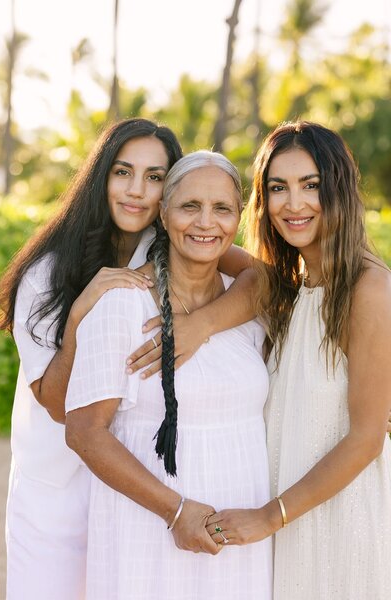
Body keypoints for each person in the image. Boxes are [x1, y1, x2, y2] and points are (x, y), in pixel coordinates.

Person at [129, 122, 391, 599]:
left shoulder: (369, 288)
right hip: (284, 525)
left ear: (339, 189)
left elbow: (367, 438)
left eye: (311, 185)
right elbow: (206, 237)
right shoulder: (291, 285)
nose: (294, 204)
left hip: (337, 521)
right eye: (278, 188)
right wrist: (201, 321)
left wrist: (269, 517)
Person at [64, 151, 273, 599]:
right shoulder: (123, 303)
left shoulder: (248, 308)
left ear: (239, 218)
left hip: (242, 536)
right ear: (163, 213)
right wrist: (176, 512)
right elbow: (84, 432)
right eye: (190, 206)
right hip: (149, 531)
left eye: (222, 208)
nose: (206, 222)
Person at [0, 117, 183, 600]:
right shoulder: (46, 271)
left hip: (130, 483)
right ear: (101, 177)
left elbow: (254, 279)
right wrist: (79, 316)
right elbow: (56, 405)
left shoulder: (171, 254)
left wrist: (200, 325)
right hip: (54, 493)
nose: (137, 190)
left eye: (155, 176)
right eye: (123, 172)